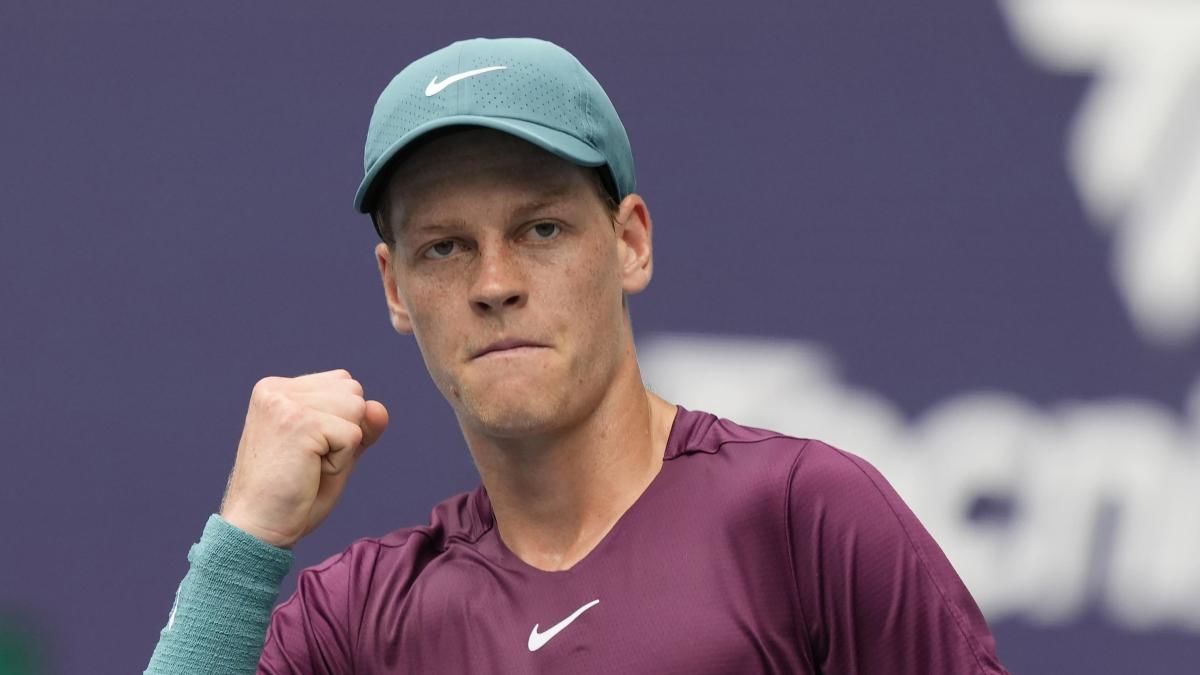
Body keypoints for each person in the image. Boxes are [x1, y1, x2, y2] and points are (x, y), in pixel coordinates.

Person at [145, 37, 1009, 674]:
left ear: (630, 242)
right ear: (396, 288)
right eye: (445, 246)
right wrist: (245, 540)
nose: (495, 283)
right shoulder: (357, 619)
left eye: (542, 229)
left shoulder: (800, 517)